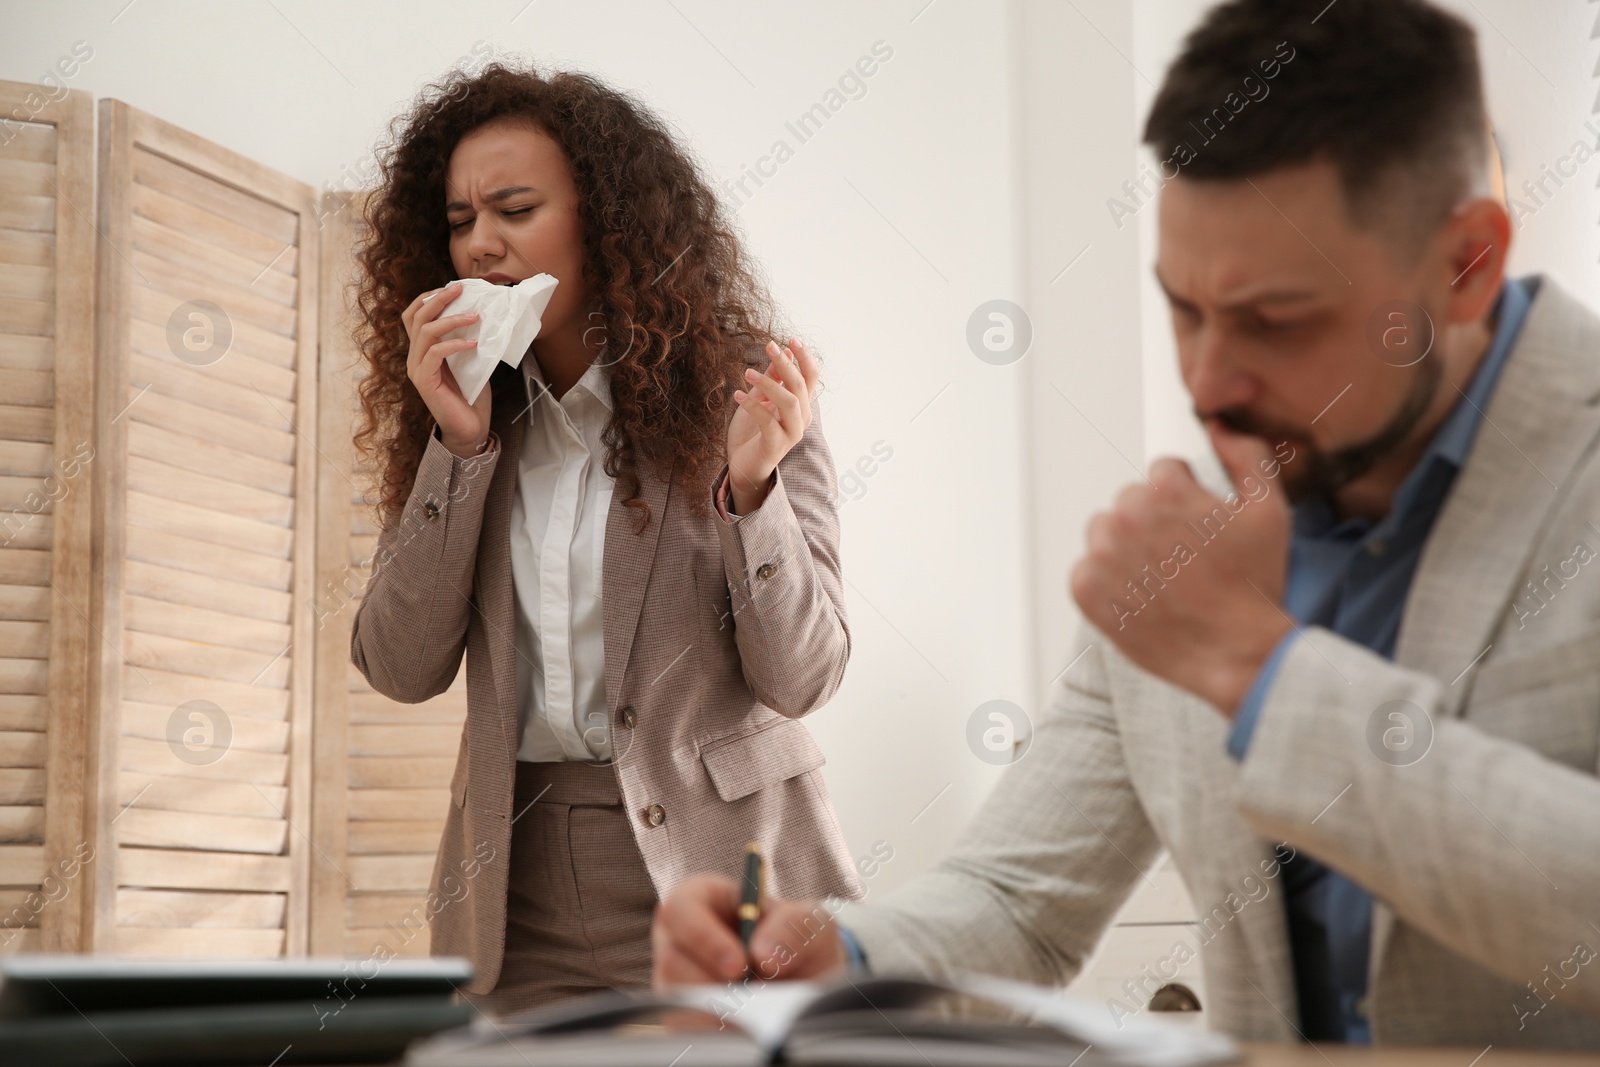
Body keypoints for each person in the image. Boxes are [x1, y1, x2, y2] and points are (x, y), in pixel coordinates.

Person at [652, 0, 1600, 1048]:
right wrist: (830, 957)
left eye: (1275, 319)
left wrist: (1259, 671)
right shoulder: (1195, 526)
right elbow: (1017, 898)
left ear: (1465, 264)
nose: (1205, 382)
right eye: (1182, 308)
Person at [349, 60, 863, 1013]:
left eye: (514, 209)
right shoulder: (470, 413)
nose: (483, 247)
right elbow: (399, 663)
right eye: (461, 221)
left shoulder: (741, 390)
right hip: (516, 891)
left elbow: (804, 676)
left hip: (723, 872)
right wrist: (456, 446)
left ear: (604, 221)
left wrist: (752, 491)